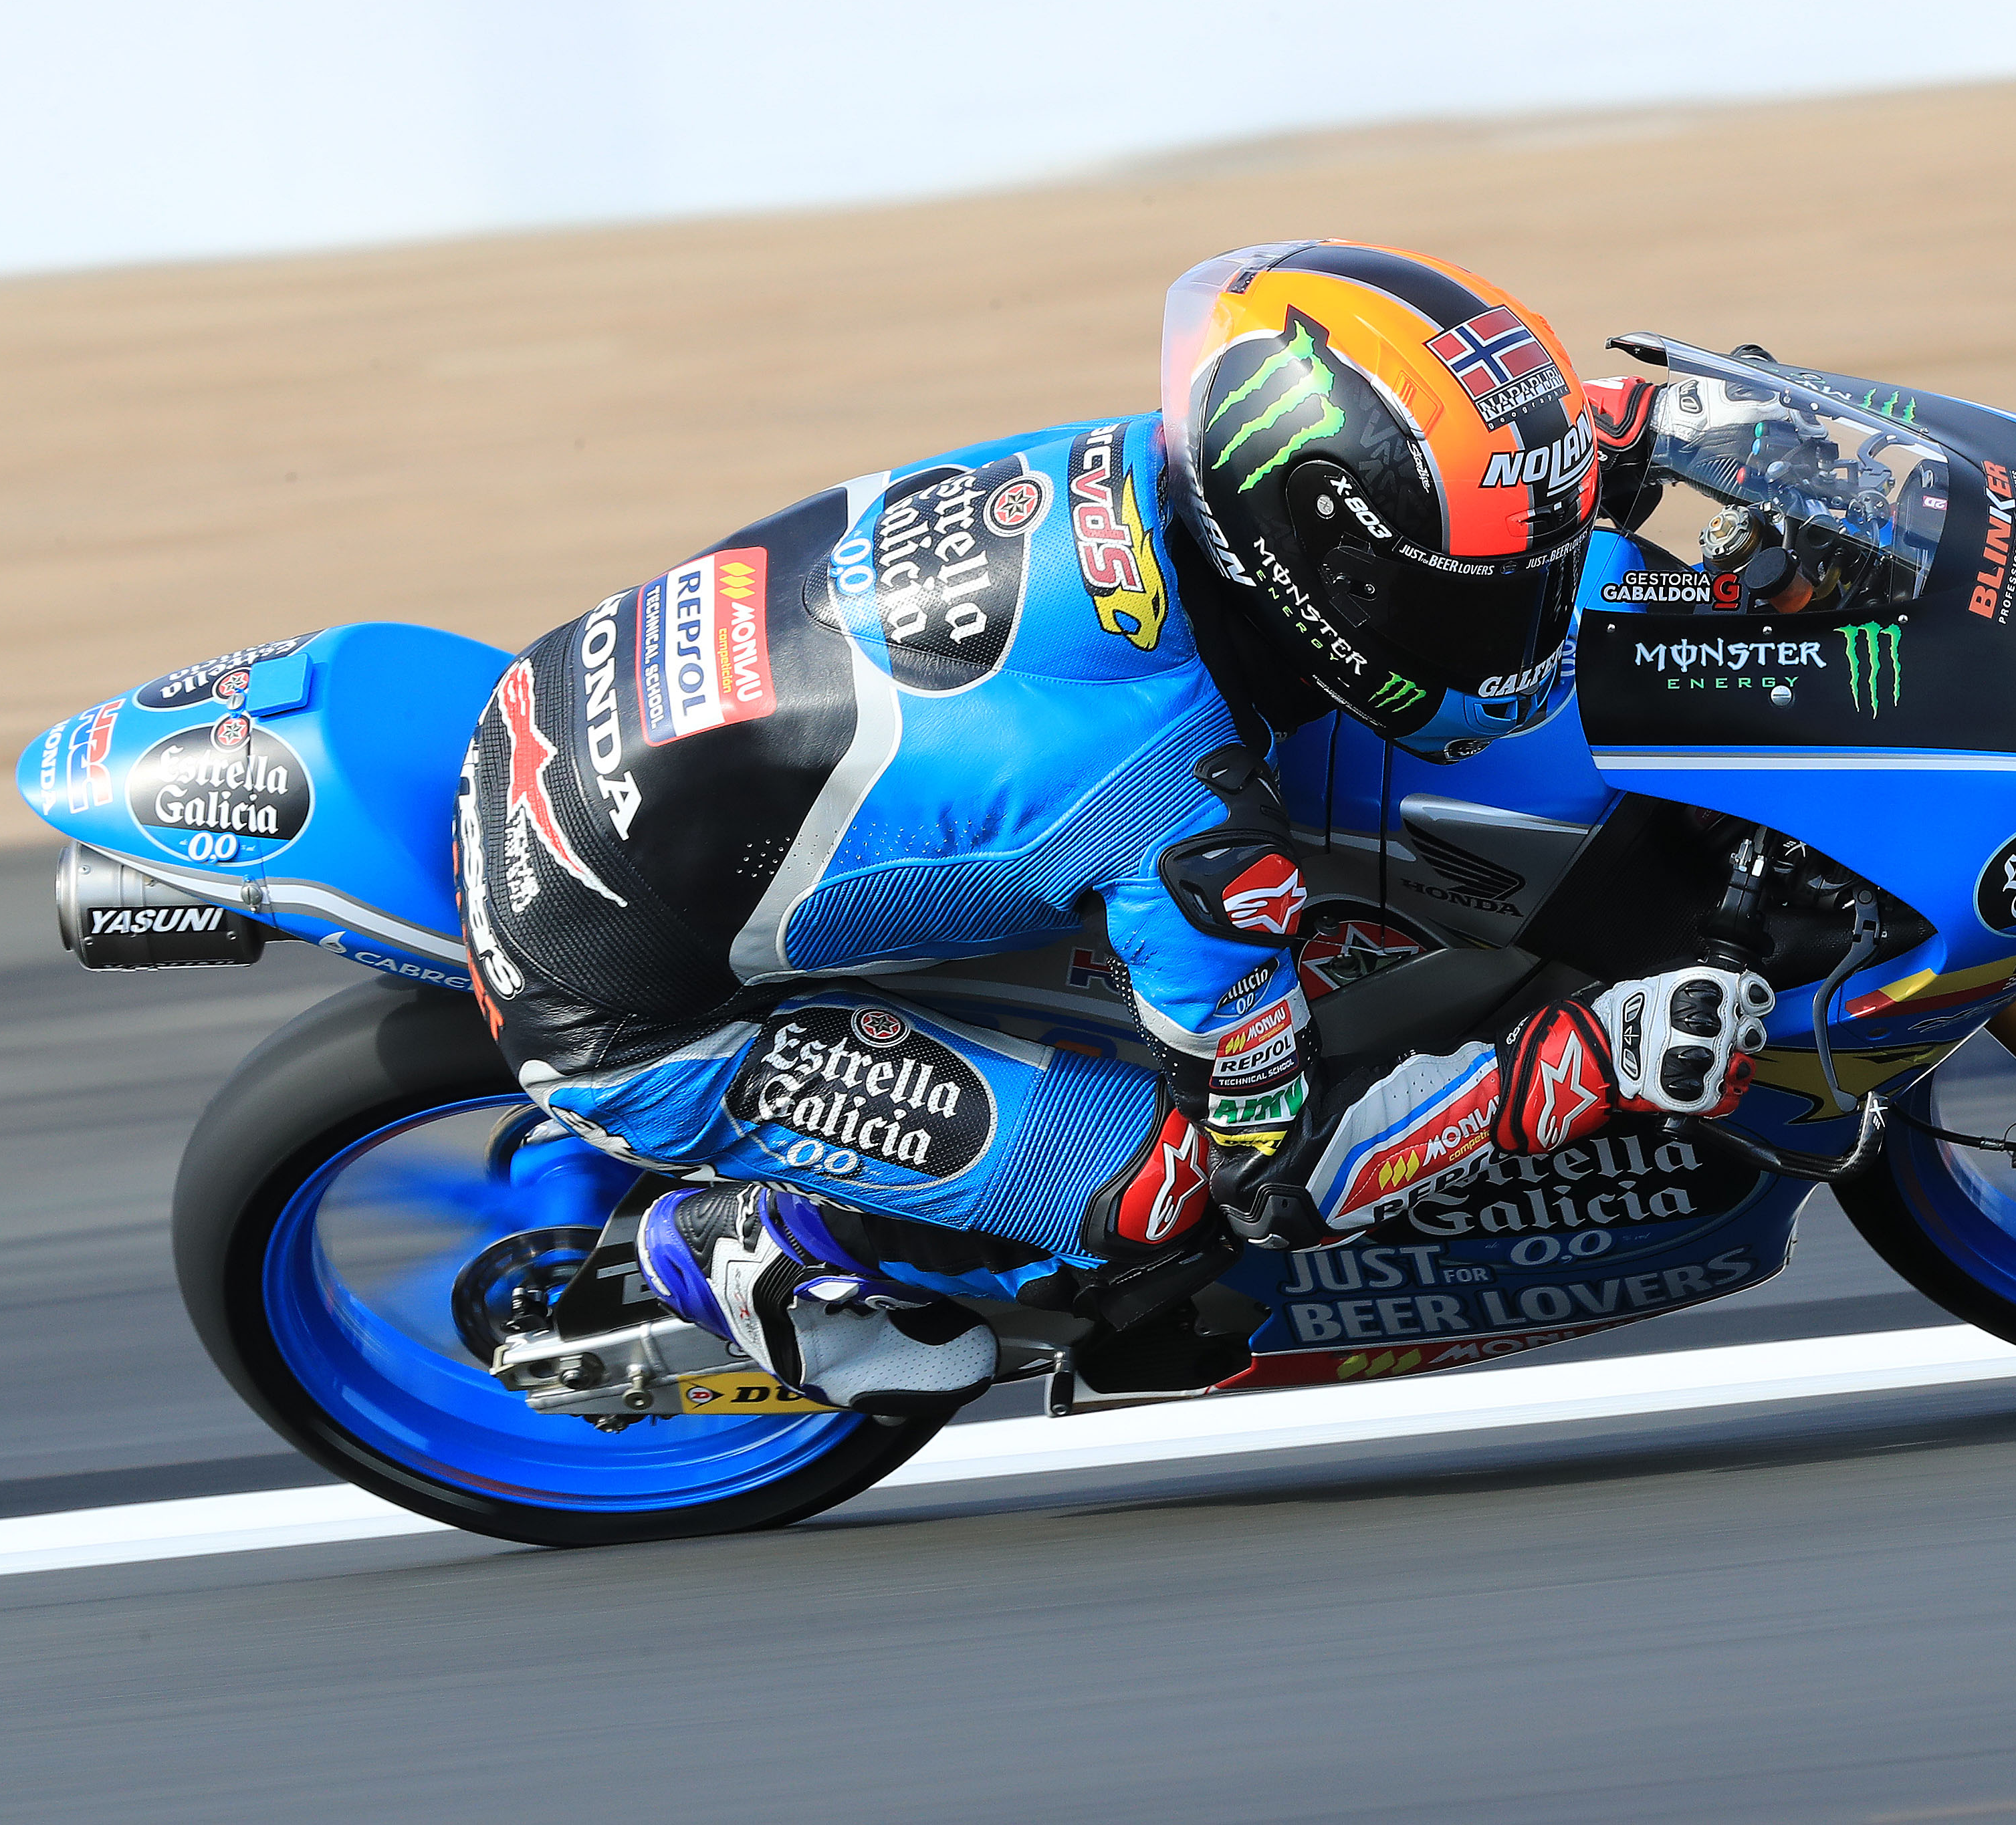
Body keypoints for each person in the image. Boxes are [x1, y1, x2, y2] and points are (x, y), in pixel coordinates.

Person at [457, 241, 1769, 1417]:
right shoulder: (1179, 806)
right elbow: (1282, 1177)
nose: (1514, 630)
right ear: (1323, 571)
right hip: (619, 1006)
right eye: (1473, 602)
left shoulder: (1172, 468)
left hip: (573, 707)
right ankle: (765, 1242)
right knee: (1167, 1190)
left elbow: (1419, 466)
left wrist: (1659, 434)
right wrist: (1587, 1061)